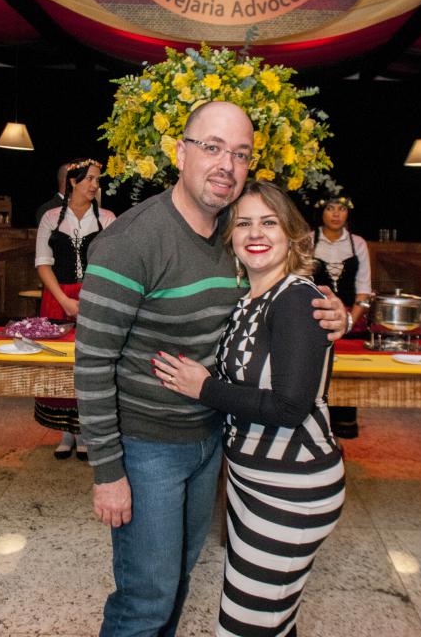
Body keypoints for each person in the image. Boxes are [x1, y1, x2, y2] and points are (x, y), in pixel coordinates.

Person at [74, 101, 347, 637]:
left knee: (177, 581)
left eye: (240, 153)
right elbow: (93, 361)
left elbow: (277, 297)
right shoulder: (132, 241)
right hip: (149, 446)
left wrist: (333, 311)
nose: (227, 164)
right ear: (180, 152)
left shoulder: (235, 234)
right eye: (213, 147)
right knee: (145, 599)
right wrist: (108, 473)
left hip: (211, 441)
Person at [153, 180, 345, 637]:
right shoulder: (249, 300)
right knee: (271, 619)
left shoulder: (296, 298)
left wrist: (204, 389)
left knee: (245, 625)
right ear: (231, 237)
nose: (255, 233)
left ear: (292, 235)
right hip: (253, 481)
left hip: (291, 488)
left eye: (268, 222)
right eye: (243, 224)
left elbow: (289, 407)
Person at [35, 157, 115, 459]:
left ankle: (84, 432)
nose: (95, 185)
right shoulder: (50, 218)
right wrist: (64, 299)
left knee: (90, 363)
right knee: (60, 361)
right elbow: (43, 263)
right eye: (90, 179)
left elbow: (112, 264)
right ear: (73, 182)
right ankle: (65, 432)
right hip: (57, 296)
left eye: (97, 180)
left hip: (94, 296)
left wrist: (92, 298)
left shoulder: (107, 218)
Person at [312, 192, 372, 439]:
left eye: (341, 208)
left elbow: (364, 288)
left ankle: (343, 430)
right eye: (330, 208)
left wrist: (348, 322)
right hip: (315, 319)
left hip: (352, 323)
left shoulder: (358, 243)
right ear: (321, 212)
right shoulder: (307, 241)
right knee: (317, 377)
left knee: (349, 377)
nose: (336, 214)